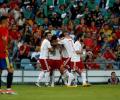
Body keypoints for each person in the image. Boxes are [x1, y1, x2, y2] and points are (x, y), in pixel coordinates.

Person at [0, 16, 15, 94]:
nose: (8, 22)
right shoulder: (4, 29)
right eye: (7, 21)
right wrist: (7, 47)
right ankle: (9, 90)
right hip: (3, 53)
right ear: (4, 21)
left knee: (0, 71)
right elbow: (4, 39)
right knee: (11, 70)